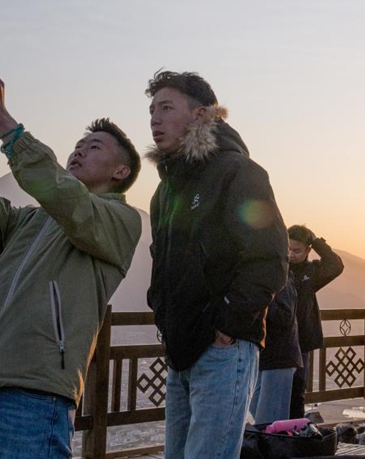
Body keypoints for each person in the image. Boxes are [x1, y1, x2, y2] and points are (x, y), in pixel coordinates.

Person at [0, 54, 142, 458]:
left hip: (34, 395)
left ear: (120, 172)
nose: (78, 152)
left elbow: (66, 197)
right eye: (76, 145)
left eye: (93, 147)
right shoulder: (30, 221)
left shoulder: (121, 221)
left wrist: (1, 118)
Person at [144, 70, 288, 458]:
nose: (155, 119)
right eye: (152, 110)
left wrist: (225, 325)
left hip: (223, 348)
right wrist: (162, 314)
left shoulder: (237, 171)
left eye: (167, 107)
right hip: (180, 348)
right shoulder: (165, 191)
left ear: (201, 114)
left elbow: (269, 257)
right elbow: (163, 263)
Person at [286, 225, 344, 419]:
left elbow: (335, 265)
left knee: (297, 392)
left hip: (302, 341)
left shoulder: (312, 272)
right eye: (288, 249)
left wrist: (317, 242)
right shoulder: (277, 268)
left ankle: (295, 436)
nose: (291, 254)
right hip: (277, 342)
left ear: (308, 250)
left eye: (297, 250)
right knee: (273, 394)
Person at [249, 273, 302, 424]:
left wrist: (262, 299)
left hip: (280, 357)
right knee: (258, 411)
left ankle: (273, 446)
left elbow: (285, 317)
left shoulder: (281, 281)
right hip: (265, 356)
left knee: (269, 420)